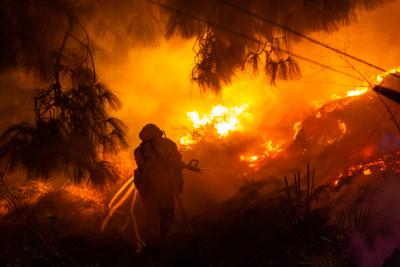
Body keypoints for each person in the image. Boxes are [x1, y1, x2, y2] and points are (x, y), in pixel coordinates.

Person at [133, 123, 185, 248]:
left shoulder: (140, 150)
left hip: (156, 187)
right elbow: (146, 166)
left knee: (158, 217)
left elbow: (176, 159)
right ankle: (156, 247)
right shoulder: (142, 150)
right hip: (154, 187)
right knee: (161, 217)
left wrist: (174, 164)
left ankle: (158, 245)